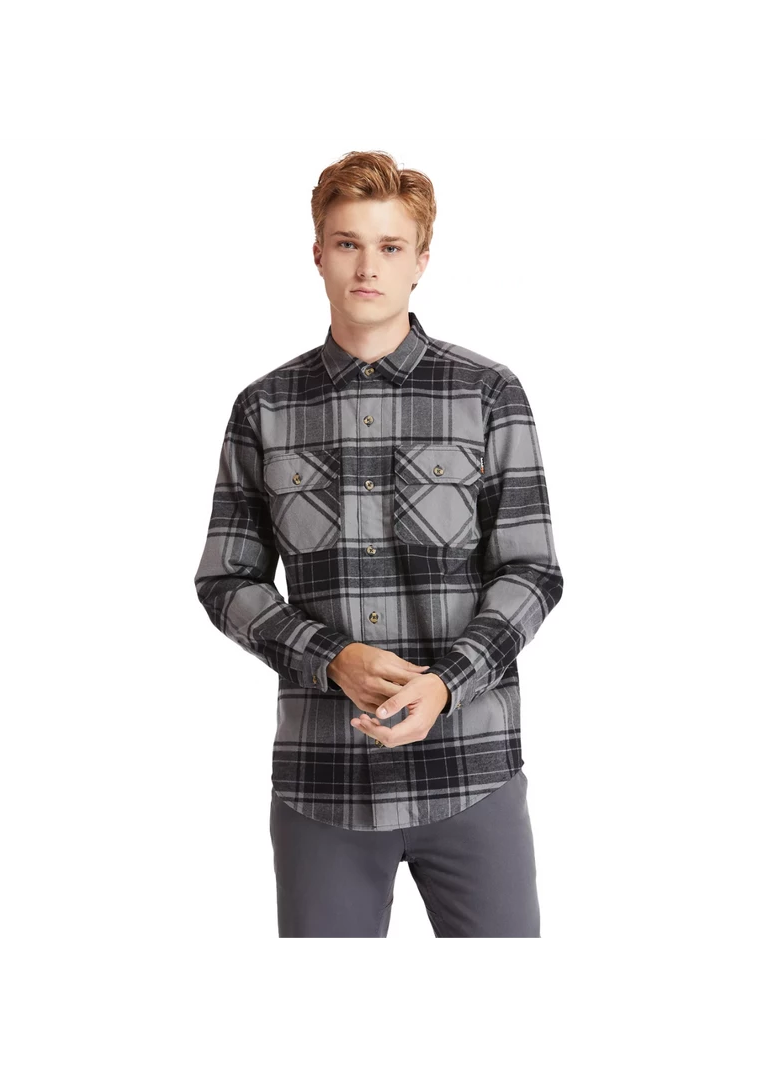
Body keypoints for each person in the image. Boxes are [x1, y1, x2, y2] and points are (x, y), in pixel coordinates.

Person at [194, 149, 564, 942]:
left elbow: (532, 570)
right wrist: (331, 657)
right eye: (348, 243)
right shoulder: (264, 409)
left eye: (390, 246)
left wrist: (445, 685)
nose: (368, 267)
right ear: (318, 253)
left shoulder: (487, 394)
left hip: (471, 769)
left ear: (421, 259)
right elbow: (226, 580)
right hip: (322, 784)